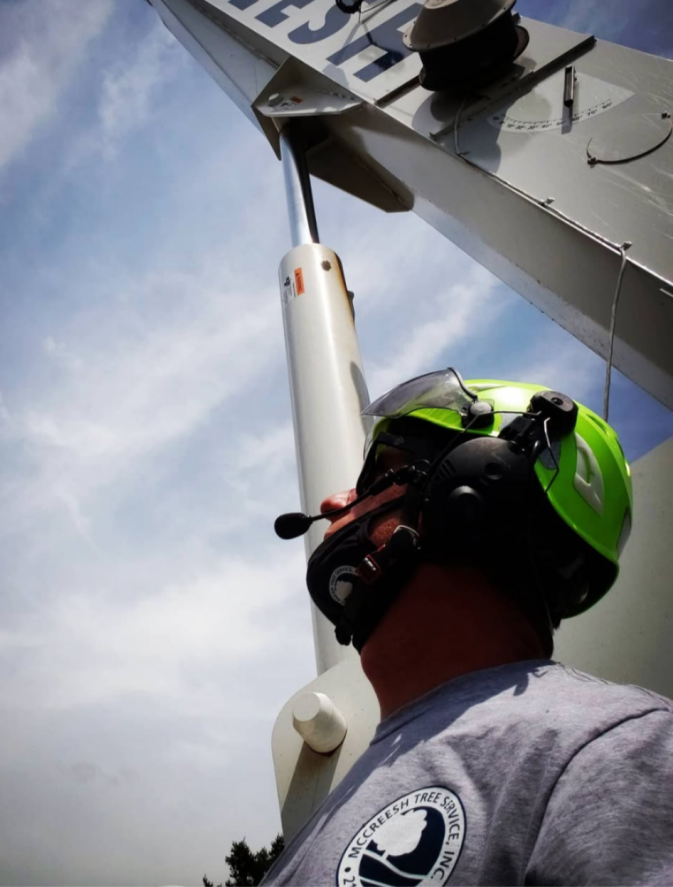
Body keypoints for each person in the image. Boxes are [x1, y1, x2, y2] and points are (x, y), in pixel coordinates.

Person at [264, 368, 673, 886]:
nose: (333, 504)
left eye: (377, 478)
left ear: (475, 486)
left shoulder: (612, 752)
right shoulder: (336, 811)